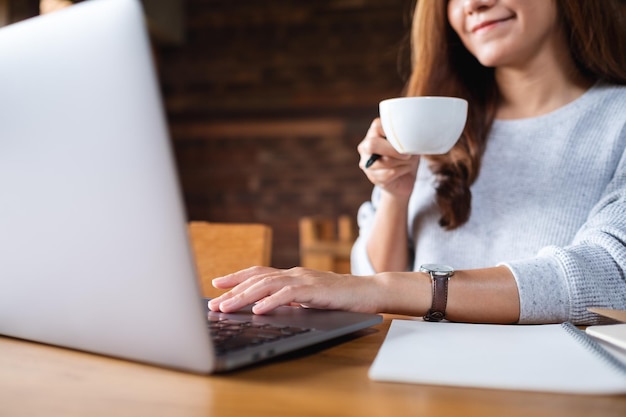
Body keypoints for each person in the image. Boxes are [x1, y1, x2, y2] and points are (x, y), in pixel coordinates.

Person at [209, 0, 626, 325]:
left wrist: (383, 287)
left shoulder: (617, 118)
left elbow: (610, 278)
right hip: (417, 372)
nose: (474, 4)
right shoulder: (438, 126)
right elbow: (374, 291)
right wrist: (394, 196)